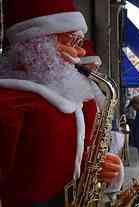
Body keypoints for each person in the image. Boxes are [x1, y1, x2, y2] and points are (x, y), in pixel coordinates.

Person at [0, 0, 123, 206]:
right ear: (36, 46)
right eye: (72, 42)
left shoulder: (72, 98)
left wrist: (103, 168)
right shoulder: (9, 102)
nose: (82, 53)